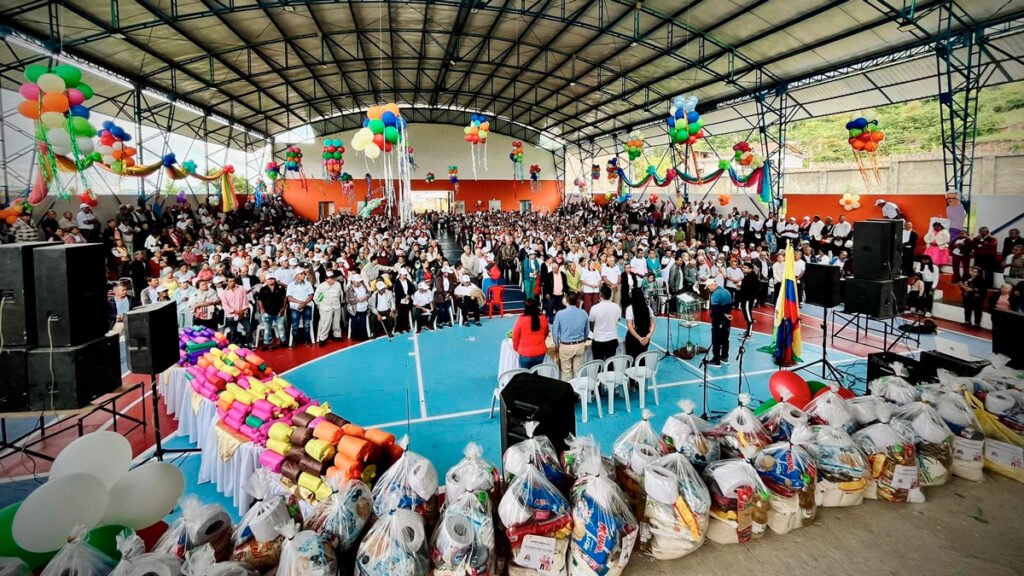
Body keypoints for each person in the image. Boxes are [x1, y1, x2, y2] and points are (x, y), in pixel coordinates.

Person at [552, 292, 589, 381]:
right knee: (577, 372)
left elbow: (555, 331)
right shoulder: (583, 313)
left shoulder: (560, 314)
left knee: (566, 373)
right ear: (577, 301)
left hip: (566, 346)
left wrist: (557, 344)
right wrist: (582, 341)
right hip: (579, 345)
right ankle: (578, 393)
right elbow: (587, 331)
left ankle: (567, 393)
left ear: (566, 300)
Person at [512, 299, 550, 369]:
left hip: (525, 354)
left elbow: (515, 336)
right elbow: (546, 333)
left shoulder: (521, 320)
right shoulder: (543, 318)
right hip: (540, 353)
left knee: (525, 376)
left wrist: (517, 348)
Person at [589, 284, 621, 363]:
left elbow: (591, 323)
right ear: (610, 295)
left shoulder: (595, 308)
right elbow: (617, 321)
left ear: (601, 295)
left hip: (599, 340)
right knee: (610, 364)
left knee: (598, 364)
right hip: (612, 339)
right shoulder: (616, 307)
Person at [257, 274, 287, 350]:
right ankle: (266, 343)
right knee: (267, 329)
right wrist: (262, 310)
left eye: (272, 279)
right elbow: (260, 300)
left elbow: (285, 298)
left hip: (278, 312)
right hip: (267, 312)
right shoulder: (263, 289)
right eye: (269, 279)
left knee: (281, 328)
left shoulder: (280, 288)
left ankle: (283, 341)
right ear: (266, 280)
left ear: (275, 279)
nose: (271, 280)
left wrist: (283, 308)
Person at [314, 270, 344, 344]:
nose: (332, 279)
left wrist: (341, 302)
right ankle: (323, 338)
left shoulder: (338, 284)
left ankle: (337, 336)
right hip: (325, 307)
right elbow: (316, 298)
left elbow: (341, 294)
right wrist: (321, 305)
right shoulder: (321, 286)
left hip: (336, 306)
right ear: (326, 279)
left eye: (333, 277)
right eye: (330, 278)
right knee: (325, 323)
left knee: (337, 322)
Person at [624, 287, 654, 359]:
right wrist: (647, 337)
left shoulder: (630, 309)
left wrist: (639, 338)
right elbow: (652, 325)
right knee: (641, 358)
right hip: (645, 336)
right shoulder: (648, 308)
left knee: (631, 359)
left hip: (633, 338)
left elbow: (630, 327)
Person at [708, 279, 733, 367]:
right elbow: (729, 306)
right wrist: (726, 314)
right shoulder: (726, 291)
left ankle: (716, 360)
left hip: (718, 320)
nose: (708, 289)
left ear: (711, 285)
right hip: (727, 320)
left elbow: (715, 310)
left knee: (716, 339)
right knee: (725, 339)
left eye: (708, 287)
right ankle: (724, 357)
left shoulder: (715, 295)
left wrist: (715, 317)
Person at [219, 276, 250, 345]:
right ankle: (234, 344)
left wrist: (242, 311)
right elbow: (225, 306)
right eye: (230, 281)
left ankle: (247, 343)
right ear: (226, 282)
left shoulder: (241, 288)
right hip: (231, 315)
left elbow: (245, 301)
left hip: (242, 313)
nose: (232, 282)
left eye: (233, 281)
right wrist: (236, 312)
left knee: (248, 328)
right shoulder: (224, 293)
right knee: (233, 331)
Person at [345, 274, 370, 341]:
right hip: (354, 309)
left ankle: (364, 336)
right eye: (357, 282)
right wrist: (358, 300)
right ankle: (355, 336)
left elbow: (368, 293)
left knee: (363, 322)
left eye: (359, 281)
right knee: (355, 322)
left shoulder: (363, 285)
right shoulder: (349, 288)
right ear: (353, 281)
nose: (359, 283)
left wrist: (365, 298)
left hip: (364, 307)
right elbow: (348, 300)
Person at [738, 262, 759, 339]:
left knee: (748, 316)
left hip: (747, 299)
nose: (743, 269)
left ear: (750, 269)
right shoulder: (748, 276)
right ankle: (748, 331)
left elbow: (753, 289)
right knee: (746, 315)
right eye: (743, 267)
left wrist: (741, 288)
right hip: (745, 298)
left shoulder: (752, 277)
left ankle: (749, 334)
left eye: (745, 268)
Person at [393, 268, 415, 333]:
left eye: (405, 275)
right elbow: (397, 292)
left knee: (406, 313)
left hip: (407, 299)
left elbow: (412, 288)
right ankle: (400, 328)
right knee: (400, 314)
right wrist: (404, 297)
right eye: (404, 275)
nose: (405, 276)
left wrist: (408, 295)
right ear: (400, 275)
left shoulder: (407, 281)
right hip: (400, 301)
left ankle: (406, 326)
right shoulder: (397, 282)